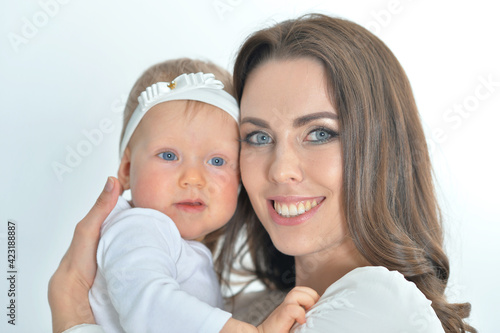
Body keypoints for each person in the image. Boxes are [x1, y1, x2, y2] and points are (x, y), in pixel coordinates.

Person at [49, 14, 475, 333]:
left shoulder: (379, 309)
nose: (281, 169)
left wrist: (71, 315)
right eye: (256, 137)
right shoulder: (244, 313)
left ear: (383, 148)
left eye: (320, 132)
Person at [64, 58, 319, 333]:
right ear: (126, 169)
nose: (193, 178)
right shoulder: (137, 229)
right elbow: (150, 303)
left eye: (217, 161)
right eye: (169, 155)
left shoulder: (173, 243)